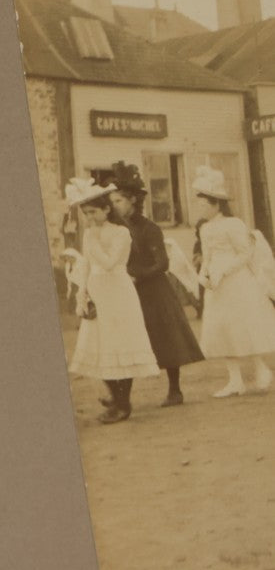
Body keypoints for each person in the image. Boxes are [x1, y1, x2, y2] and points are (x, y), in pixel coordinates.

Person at [64, 177, 160, 424]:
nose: (90, 218)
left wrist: (93, 240)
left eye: (94, 212)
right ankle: (114, 396)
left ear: (107, 209)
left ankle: (123, 403)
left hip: (117, 291)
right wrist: (81, 292)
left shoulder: (121, 232)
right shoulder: (90, 234)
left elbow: (109, 263)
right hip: (97, 290)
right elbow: (87, 265)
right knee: (98, 344)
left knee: (119, 344)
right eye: (86, 214)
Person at [109, 161, 204, 407]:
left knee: (165, 338)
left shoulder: (149, 228)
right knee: (127, 340)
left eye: (118, 200)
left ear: (132, 200)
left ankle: (175, 390)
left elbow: (162, 263)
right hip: (126, 290)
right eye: (112, 201)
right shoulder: (115, 229)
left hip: (153, 290)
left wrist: (138, 275)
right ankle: (120, 397)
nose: (114, 205)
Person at [191, 164, 275, 397]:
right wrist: (205, 273)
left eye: (204, 204)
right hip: (216, 285)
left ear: (216, 203)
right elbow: (207, 256)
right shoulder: (205, 228)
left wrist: (224, 270)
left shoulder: (233, 224)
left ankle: (261, 368)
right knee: (222, 328)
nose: (201, 208)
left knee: (243, 325)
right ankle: (235, 379)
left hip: (237, 281)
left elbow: (245, 253)